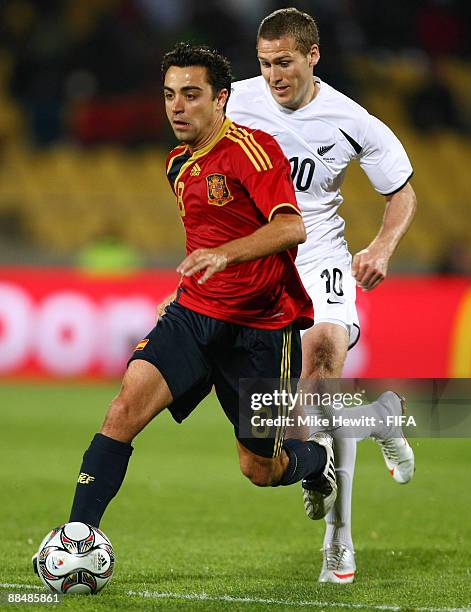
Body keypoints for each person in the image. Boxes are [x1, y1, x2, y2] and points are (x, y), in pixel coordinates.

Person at [33, 42, 338, 575]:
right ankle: (78, 535)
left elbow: (292, 227)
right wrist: (187, 287)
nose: (177, 106)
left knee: (261, 469)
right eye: (170, 95)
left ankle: (316, 461)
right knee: (123, 409)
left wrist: (226, 254)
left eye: (191, 94)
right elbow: (206, 233)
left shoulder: (254, 151)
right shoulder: (177, 164)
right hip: (195, 317)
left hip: (262, 330)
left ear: (221, 98)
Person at [226, 8, 417, 584]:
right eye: (264, 63)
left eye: (284, 62)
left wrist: (381, 249)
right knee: (291, 413)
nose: (273, 75)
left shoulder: (352, 119)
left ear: (312, 56)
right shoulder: (234, 101)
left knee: (322, 365)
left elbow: (402, 192)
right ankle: (380, 417)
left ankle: (340, 538)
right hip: (259, 262)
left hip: (318, 258)